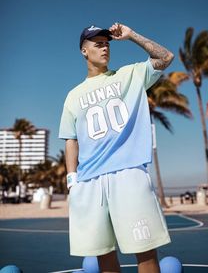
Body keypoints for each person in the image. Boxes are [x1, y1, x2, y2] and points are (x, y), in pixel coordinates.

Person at [59, 23, 174, 273]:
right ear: (84, 51)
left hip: (128, 173)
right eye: (97, 43)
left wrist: (132, 36)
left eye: (107, 43)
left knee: (145, 253)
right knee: (104, 258)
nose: (104, 47)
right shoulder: (73, 96)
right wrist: (72, 181)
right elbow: (71, 139)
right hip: (89, 182)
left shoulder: (129, 75)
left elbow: (166, 57)